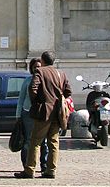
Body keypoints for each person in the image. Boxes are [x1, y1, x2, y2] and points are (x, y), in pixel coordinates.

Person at [15, 50, 71, 180]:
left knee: (35, 141)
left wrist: (37, 102)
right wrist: (60, 99)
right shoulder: (60, 73)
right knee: (53, 142)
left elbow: (33, 88)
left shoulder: (40, 72)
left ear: (43, 61)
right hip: (57, 112)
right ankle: (51, 170)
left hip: (44, 111)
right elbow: (68, 91)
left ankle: (29, 170)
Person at [15, 57, 48, 174]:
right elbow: (21, 99)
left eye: (39, 67)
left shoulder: (46, 80)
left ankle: (44, 166)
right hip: (28, 113)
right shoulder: (27, 81)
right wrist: (18, 116)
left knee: (43, 141)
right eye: (35, 67)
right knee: (28, 140)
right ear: (31, 69)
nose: (37, 69)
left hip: (42, 113)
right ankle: (27, 166)